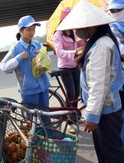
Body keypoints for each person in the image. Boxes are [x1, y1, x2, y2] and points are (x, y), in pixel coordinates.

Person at [57, 0, 124, 162]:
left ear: (91, 26)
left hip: (105, 111)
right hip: (108, 108)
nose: (77, 31)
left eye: (80, 26)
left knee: (110, 156)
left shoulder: (100, 46)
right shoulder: (100, 42)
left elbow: (98, 84)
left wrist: (92, 116)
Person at [0, 15, 51, 124]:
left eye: (33, 29)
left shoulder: (37, 44)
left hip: (43, 87)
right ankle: (34, 140)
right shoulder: (16, 48)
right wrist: (19, 57)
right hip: (29, 90)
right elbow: (3, 67)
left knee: (46, 116)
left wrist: (43, 56)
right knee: (32, 120)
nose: (31, 32)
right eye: (28, 30)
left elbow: (47, 63)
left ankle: (48, 138)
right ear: (21, 31)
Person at [52, 7, 86, 133]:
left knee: (77, 93)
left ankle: (75, 116)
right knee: (70, 95)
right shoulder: (58, 35)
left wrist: (85, 41)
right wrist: (74, 52)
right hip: (65, 68)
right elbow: (59, 52)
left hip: (75, 66)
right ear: (63, 20)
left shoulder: (74, 31)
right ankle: (69, 121)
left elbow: (80, 44)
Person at [107, 0, 124, 147]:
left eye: (118, 10)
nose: (115, 14)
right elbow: (120, 50)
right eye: (112, 11)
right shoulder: (113, 29)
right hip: (120, 79)